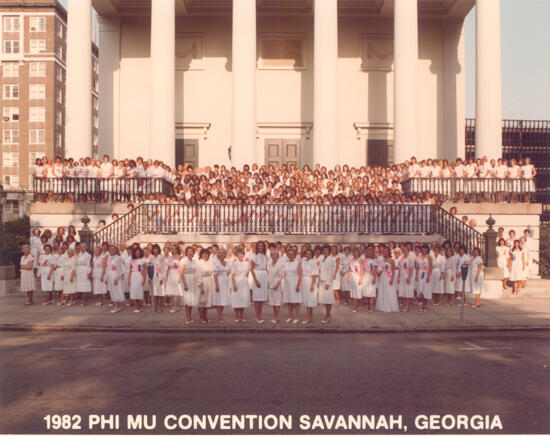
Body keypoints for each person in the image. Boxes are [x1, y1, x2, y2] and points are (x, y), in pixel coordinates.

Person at [375, 247, 399, 312]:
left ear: (389, 252)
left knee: (389, 291)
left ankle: (389, 306)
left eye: (386, 251)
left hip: (389, 277)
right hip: (383, 277)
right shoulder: (382, 260)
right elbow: (381, 268)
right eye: (384, 251)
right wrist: (379, 272)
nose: (385, 253)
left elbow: (393, 271)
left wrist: (392, 279)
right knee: (383, 291)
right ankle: (382, 306)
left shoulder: (391, 260)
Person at [230, 248, 251, 322]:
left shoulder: (247, 264)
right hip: (237, 282)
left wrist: (244, 280)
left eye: (242, 254)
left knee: (243, 300)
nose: (241, 255)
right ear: (237, 255)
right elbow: (232, 275)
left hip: (244, 283)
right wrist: (234, 285)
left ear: (244, 255)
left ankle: (241, 317)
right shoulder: (234, 263)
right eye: (239, 254)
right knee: (236, 300)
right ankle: (236, 317)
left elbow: (247, 273)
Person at [282, 248, 302, 323]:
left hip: (295, 283)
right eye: (289, 254)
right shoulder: (286, 263)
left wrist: (298, 285)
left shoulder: (298, 262)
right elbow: (284, 273)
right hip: (287, 284)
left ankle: (296, 317)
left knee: (296, 301)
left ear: (295, 255)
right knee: (289, 301)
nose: (290, 256)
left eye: (292, 254)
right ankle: (290, 316)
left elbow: (300, 274)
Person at [250, 241, 269, 323]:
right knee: (257, 298)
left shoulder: (266, 256)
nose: (260, 247)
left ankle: (260, 315)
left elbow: (267, 268)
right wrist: (256, 280)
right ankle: (257, 316)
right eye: (259, 246)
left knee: (261, 298)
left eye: (262, 246)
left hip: (264, 276)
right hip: (257, 275)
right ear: (257, 247)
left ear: (264, 247)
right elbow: (251, 269)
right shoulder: (254, 256)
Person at [212, 247, 231, 323]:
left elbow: (228, 271)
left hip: (225, 283)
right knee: (219, 300)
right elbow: (215, 275)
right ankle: (220, 316)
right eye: (220, 253)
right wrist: (216, 285)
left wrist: (227, 275)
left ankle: (221, 314)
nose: (222, 254)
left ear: (225, 254)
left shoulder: (227, 262)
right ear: (218, 254)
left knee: (223, 300)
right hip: (219, 282)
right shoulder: (216, 262)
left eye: (223, 253)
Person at [317, 244, 335, 323]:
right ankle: (328, 314)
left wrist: (328, 283)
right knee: (324, 300)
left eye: (327, 250)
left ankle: (327, 315)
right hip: (321, 281)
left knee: (328, 300)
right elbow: (319, 269)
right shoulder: (321, 258)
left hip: (327, 282)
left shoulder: (330, 260)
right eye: (324, 250)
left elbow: (331, 272)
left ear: (329, 251)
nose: (325, 251)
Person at [196, 248, 214, 323]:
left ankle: (206, 317)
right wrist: (201, 286)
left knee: (206, 301)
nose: (205, 255)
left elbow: (211, 273)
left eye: (207, 254)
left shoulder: (209, 262)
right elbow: (198, 275)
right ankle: (201, 318)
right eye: (204, 254)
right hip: (202, 282)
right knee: (202, 301)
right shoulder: (199, 263)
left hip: (209, 282)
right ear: (201, 255)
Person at [300, 248, 319, 324]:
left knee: (310, 299)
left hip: (310, 280)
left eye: (309, 254)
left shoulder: (313, 262)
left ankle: (307, 317)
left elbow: (314, 274)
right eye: (306, 253)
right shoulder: (303, 260)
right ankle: (310, 315)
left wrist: (312, 285)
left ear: (312, 255)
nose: (307, 255)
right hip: (304, 281)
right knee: (306, 299)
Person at [181, 247, 198, 324]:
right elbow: (181, 272)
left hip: (193, 281)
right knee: (187, 299)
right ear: (186, 252)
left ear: (193, 253)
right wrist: (185, 284)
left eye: (191, 251)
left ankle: (190, 317)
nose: (190, 253)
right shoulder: (183, 260)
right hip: (186, 280)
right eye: (188, 251)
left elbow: (196, 272)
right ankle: (187, 318)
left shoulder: (194, 261)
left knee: (191, 300)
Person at [267, 250, 284, 323]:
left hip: (277, 285)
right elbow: (269, 275)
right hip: (271, 285)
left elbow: (280, 276)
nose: (274, 257)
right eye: (273, 255)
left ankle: (276, 317)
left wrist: (277, 284)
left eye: (276, 256)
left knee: (277, 301)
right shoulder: (270, 264)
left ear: (278, 257)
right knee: (273, 301)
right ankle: (275, 317)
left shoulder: (279, 265)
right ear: (271, 256)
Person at [165, 245, 183, 314]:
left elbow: (181, 268)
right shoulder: (170, 257)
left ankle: (174, 306)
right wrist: (167, 277)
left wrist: (179, 277)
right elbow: (168, 268)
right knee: (172, 292)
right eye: (172, 249)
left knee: (177, 291)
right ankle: (176, 306)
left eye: (175, 248)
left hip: (177, 274)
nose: (174, 250)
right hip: (171, 275)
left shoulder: (180, 257)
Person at [106, 245, 125, 313]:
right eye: (110, 249)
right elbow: (108, 267)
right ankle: (115, 303)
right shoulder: (109, 257)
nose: (111, 250)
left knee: (116, 290)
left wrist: (116, 278)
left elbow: (119, 270)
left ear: (116, 250)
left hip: (115, 275)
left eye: (113, 249)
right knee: (112, 290)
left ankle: (117, 306)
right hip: (110, 275)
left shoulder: (118, 258)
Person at [396, 244, 415, 312]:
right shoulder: (401, 258)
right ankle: (405, 305)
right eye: (403, 250)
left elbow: (411, 269)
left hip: (407, 276)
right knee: (403, 291)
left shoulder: (410, 258)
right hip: (402, 276)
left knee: (407, 291)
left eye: (406, 250)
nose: (404, 251)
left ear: (408, 251)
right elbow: (400, 269)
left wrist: (409, 277)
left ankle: (407, 306)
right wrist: (398, 277)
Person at [148, 244, 166, 312]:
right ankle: (156, 305)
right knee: (155, 292)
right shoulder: (150, 257)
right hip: (153, 276)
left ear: (158, 250)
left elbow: (163, 268)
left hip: (159, 276)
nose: (155, 250)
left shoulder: (161, 257)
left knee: (161, 292)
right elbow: (149, 268)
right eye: (154, 249)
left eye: (156, 249)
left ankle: (160, 306)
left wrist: (161, 278)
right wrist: (149, 278)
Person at [129, 246, 146, 313]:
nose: (137, 253)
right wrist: (129, 279)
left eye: (138, 251)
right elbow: (130, 270)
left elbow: (144, 270)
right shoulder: (132, 260)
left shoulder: (143, 260)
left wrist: (144, 279)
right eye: (136, 251)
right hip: (133, 276)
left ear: (140, 252)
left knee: (139, 291)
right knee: (134, 292)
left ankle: (140, 307)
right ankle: (137, 306)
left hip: (139, 276)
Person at [416, 244, 433, 312]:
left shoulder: (429, 256)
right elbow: (417, 267)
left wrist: (428, 276)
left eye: (425, 248)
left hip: (426, 273)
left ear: (427, 249)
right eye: (423, 248)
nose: (424, 250)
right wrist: (416, 275)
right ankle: (422, 304)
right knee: (421, 289)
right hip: (420, 273)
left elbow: (431, 267)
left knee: (426, 289)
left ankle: (425, 305)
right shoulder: (419, 256)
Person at [348, 248, 364, 313]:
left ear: (358, 253)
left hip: (358, 276)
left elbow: (362, 270)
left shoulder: (360, 260)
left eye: (357, 252)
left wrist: (360, 279)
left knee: (358, 291)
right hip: (352, 276)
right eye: (354, 252)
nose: (355, 253)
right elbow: (349, 269)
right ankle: (356, 305)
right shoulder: (351, 260)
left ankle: (356, 306)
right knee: (354, 292)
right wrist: (348, 277)